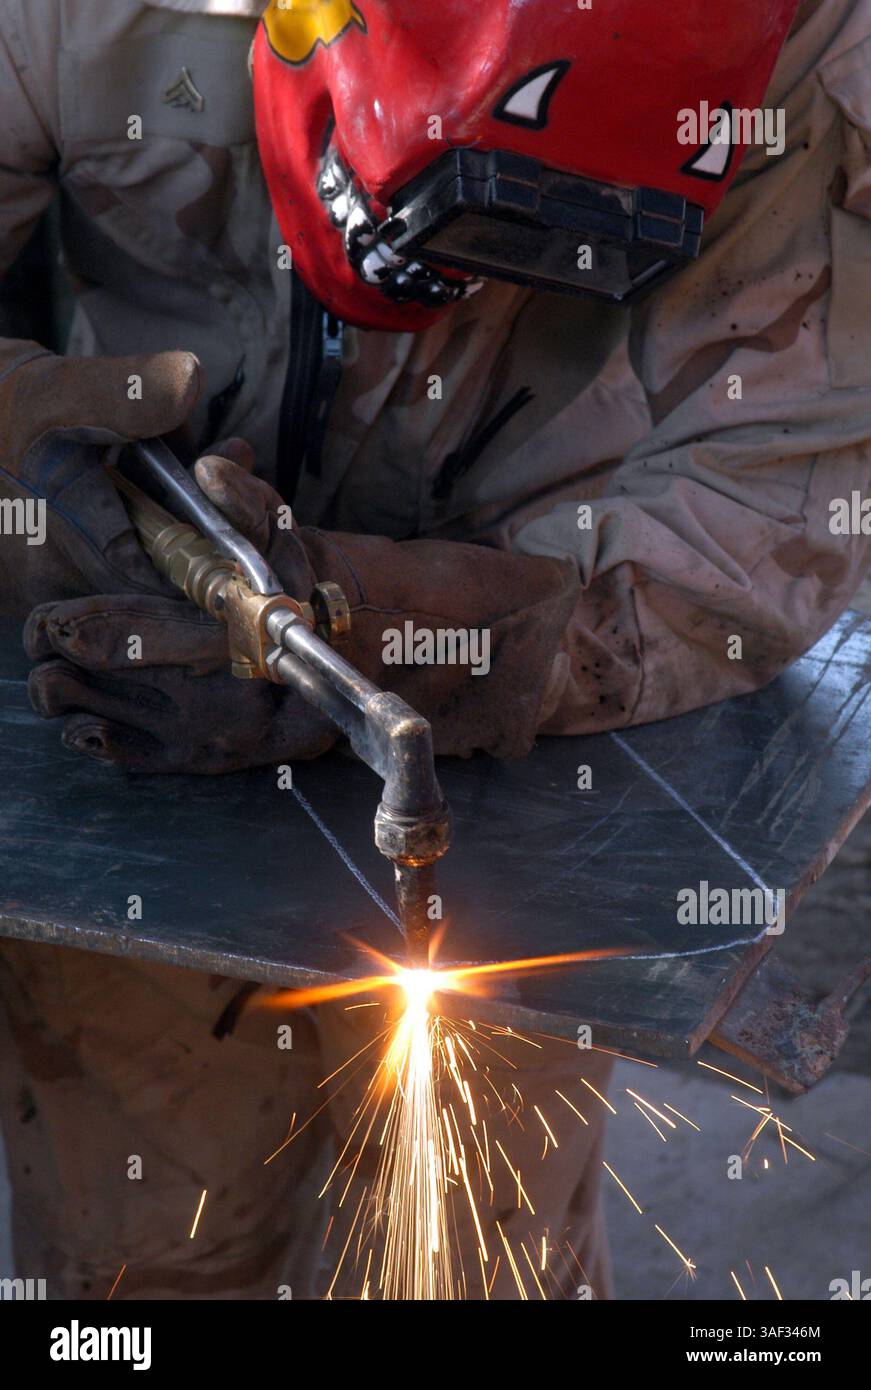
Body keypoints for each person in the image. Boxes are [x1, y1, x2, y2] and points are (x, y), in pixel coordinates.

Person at [0, 0, 868, 1298]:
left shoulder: (790, 38)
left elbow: (770, 506)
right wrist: (23, 448)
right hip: (106, 744)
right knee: (134, 1263)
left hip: (532, 787)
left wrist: (442, 634)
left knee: (478, 1244)